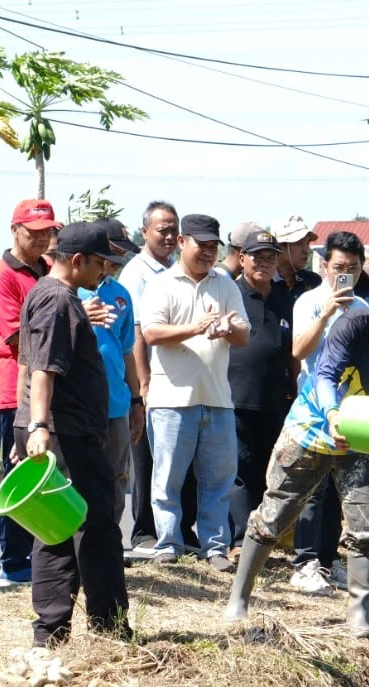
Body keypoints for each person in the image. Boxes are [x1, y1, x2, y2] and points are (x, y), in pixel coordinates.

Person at [224, 284, 369, 638]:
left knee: (365, 527)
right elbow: (326, 374)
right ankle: (239, 598)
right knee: (274, 515)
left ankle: (359, 615)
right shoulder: (355, 324)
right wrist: (331, 415)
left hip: (366, 438)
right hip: (312, 428)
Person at [20, 221, 133, 646]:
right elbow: (43, 369)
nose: (104, 271)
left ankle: (52, 634)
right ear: (78, 260)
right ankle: (108, 628)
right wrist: (38, 425)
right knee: (96, 526)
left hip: (64, 429)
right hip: (65, 432)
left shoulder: (51, 294)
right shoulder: (58, 299)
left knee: (59, 530)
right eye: (100, 263)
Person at [138, 213, 249, 570]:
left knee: (219, 481)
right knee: (167, 479)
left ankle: (214, 547)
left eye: (214, 247)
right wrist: (196, 328)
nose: (208, 252)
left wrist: (227, 328)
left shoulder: (225, 285)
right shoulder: (162, 284)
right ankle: (168, 544)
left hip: (217, 398)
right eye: (202, 245)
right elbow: (152, 333)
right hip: (171, 399)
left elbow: (244, 335)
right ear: (182, 242)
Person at [286, 231, 369, 595]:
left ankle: (327, 558)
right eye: (339, 267)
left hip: (351, 409)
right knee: (313, 489)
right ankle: (304, 562)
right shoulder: (308, 301)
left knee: (339, 487)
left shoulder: (364, 307)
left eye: (353, 267)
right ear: (324, 266)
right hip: (315, 410)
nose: (345, 274)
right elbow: (299, 351)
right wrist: (326, 314)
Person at [0, 198, 58, 586]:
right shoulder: (2, 277)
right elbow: (16, 337)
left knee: (47, 476)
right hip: (18, 394)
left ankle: (40, 557)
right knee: (20, 475)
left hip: (48, 388)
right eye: (34, 232)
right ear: (15, 230)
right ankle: (13, 563)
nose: (42, 239)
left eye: (48, 231)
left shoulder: (47, 269)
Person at [117, 201, 181, 551]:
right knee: (145, 460)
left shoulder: (173, 268)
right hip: (150, 382)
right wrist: (142, 386)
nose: (169, 237)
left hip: (175, 381)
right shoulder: (137, 273)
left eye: (174, 230)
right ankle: (144, 531)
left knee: (169, 460)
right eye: (162, 230)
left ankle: (174, 530)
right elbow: (136, 334)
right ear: (144, 232)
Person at [228, 229, 293, 545]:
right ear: (242, 258)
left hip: (276, 398)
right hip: (236, 396)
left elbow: (293, 349)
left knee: (271, 471)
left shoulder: (284, 298)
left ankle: (267, 537)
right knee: (240, 472)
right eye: (257, 257)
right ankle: (241, 540)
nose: (264, 263)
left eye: (271, 257)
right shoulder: (230, 293)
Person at [78, 220, 146, 521]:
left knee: (116, 477)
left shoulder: (121, 294)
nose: (117, 261)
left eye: (121, 255)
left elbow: (127, 351)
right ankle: (80, 544)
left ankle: (110, 540)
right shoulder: (71, 290)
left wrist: (136, 400)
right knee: (80, 480)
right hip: (78, 406)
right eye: (113, 253)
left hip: (116, 404)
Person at [273, 214, 322, 310]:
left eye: (307, 243)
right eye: (299, 243)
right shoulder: (264, 283)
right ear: (280, 246)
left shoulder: (313, 281)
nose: (306, 250)